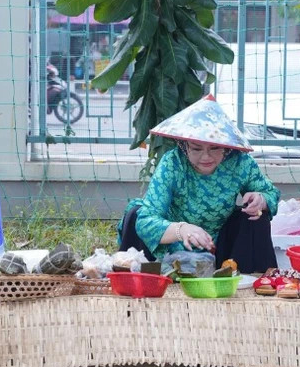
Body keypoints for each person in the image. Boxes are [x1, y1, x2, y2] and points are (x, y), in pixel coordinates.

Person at [118, 95, 280, 274]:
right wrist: (182, 229)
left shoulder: (240, 162)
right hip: (170, 241)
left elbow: (270, 193)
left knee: (256, 217)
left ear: (226, 147)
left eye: (214, 148)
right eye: (196, 149)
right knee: (135, 214)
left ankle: (256, 280)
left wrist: (261, 200)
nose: (206, 157)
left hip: (219, 246)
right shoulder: (172, 163)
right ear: (184, 145)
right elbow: (146, 220)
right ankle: (137, 280)